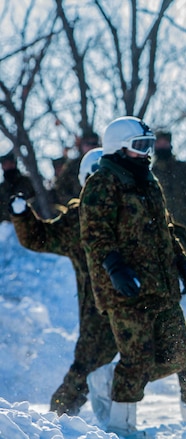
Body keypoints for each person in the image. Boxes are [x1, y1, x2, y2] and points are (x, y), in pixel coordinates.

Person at [80, 116, 186, 435]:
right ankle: (122, 428)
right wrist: (114, 267)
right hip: (126, 290)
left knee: (182, 353)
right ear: (120, 148)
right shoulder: (103, 182)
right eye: (140, 146)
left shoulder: (149, 181)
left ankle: (110, 378)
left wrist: (182, 262)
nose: (147, 152)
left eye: (149, 145)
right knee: (137, 359)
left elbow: (165, 228)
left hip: (163, 287)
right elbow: (95, 233)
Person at [9, 149, 117, 416]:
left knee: (160, 352)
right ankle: (58, 420)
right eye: (94, 179)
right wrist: (23, 215)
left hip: (138, 300)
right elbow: (41, 237)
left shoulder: (130, 209)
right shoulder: (76, 219)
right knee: (86, 364)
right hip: (97, 306)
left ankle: (121, 414)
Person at [152, 130, 186, 241]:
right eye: (159, 143)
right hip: (161, 227)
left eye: (164, 143)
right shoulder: (151, 173)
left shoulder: (184, 169)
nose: (162, 146)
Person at [53, 130, 100, 204]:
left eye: (94, 143)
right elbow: (61, 187)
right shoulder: (73, 166)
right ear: (81, 145)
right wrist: (74, 203)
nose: (91, 146)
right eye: (88, 144)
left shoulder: (105, 162)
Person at [0, 151, 36, 223]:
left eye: (10, 163)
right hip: (9, 225)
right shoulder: (2, 188)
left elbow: (37, 198)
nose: (8, 166)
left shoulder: (26, 181)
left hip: (30, 221)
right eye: (5, 164)